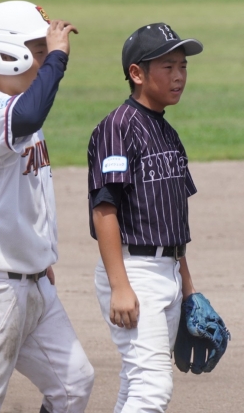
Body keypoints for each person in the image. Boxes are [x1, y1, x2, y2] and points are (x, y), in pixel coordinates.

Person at [0, 1, 94, 413]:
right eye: (40, 49)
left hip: (32, 282)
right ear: (6, 53)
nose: (47, 57)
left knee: (73, 385)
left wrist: (38, 253)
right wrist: (59, 59)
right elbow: (28, 116)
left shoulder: (15, 102)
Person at [87, 22, 204, 412]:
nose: (179, 76)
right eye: (168, 67)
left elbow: (173, 223)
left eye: (183, 66)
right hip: (134, 271)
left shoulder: (168, 133)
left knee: (136, 382)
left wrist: (188, 289)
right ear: (136, 73)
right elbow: (104, 209)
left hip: (167, 271)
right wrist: (120, 286)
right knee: (152, 386)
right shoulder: (117, 129)